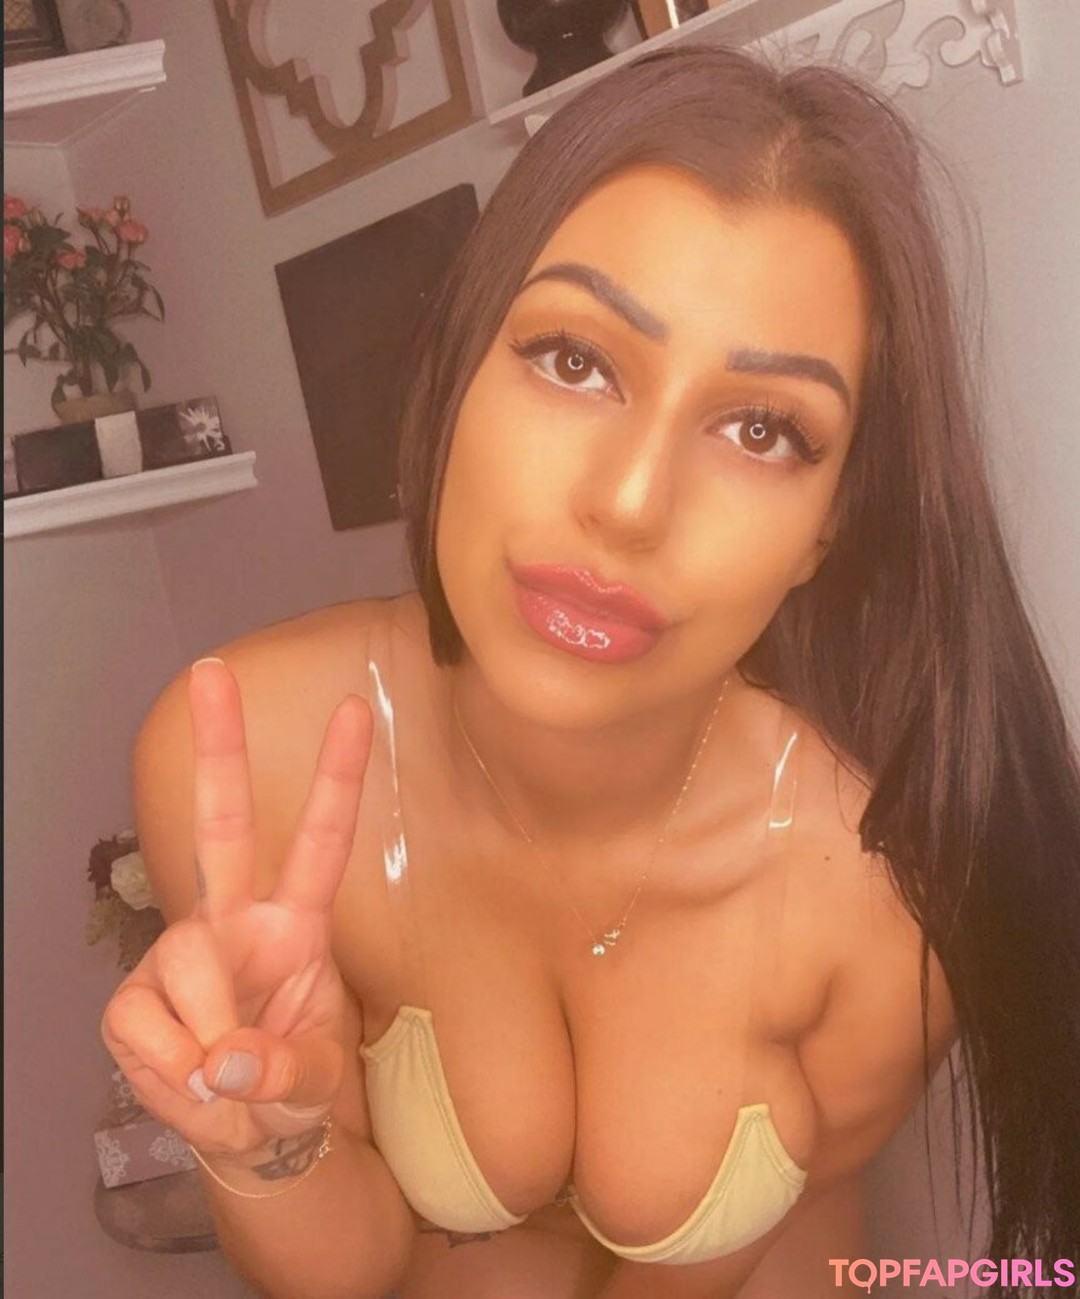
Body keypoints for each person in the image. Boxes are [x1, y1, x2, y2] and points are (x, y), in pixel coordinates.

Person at [100, 43, 1080, 1299]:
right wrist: (261, 1146)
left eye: (763, 430)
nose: (629, 502)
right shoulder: (246, 756)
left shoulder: (884, 899)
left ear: (825, 531)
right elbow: (345, 1270)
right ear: (457, 370)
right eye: (574, 359)